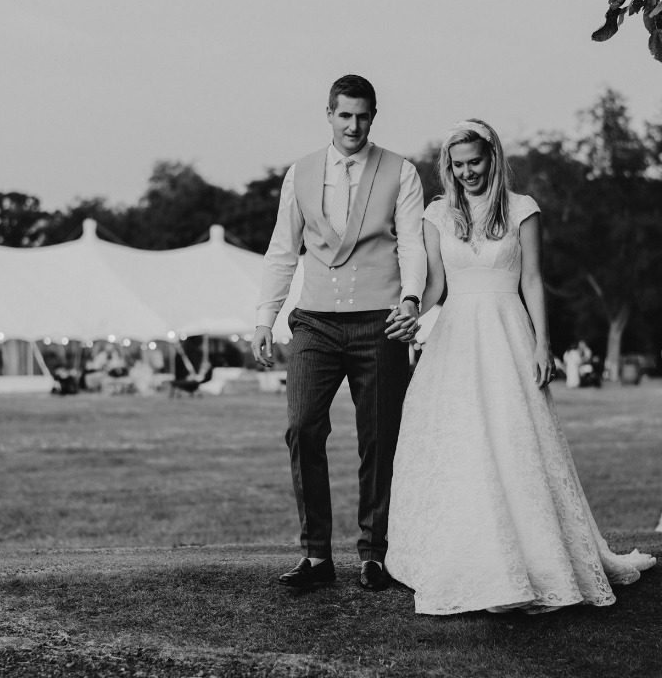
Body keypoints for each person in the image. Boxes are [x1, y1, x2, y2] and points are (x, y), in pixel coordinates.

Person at [385, 119, 655, 614]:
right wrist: (409, 312)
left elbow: (533, 279)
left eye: (476, 162)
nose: (468, 173)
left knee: (514, 439)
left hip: (509, 331)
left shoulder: (522, 208)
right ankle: (472, 556)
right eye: (458, 165)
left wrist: (542, 343)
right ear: (449, 166)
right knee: (461, 442)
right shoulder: (438, 213)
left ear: (493, 157)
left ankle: (535, 558)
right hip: (456, 338)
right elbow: (433, 287)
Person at [252, 75, 426, 591]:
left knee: (379, 438)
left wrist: (411, 299)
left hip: (382, 321)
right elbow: (283, 250)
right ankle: (316, 556)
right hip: (315, 323)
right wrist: (266, 316)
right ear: (328, 114)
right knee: (303, 426)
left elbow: (412, 244)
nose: (354, 125)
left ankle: (375, 553)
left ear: (374, 116)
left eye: (363, 115)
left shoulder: (402, 171)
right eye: (344, 115)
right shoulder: (300, 173)